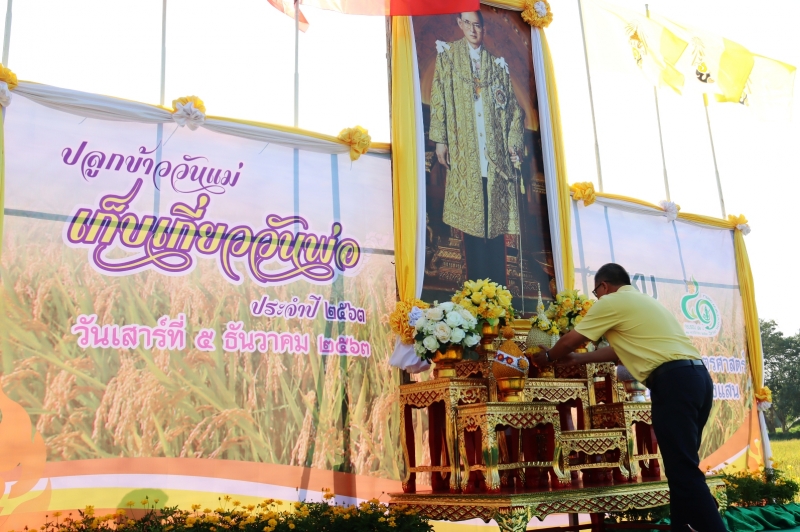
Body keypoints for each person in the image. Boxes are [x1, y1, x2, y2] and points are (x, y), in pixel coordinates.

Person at [531, 263, 725, 532]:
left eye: (596, 292)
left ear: (604, 286)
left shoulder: (610, 302)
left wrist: (549, 356)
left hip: (673, 383)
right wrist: (577, 359)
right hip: (697, 379)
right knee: (680, 468)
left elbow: (571, 339)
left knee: (683, 470)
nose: (597, 298)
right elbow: (617, 351)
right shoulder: (646, 302)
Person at [429, 10, 524, 283]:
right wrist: (441, 140)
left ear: (484, 28)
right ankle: (475, 291)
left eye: (478, 26)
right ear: (460, 24)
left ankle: (498, 291)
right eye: (468, 24)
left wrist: (513, 144)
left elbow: (514, 112)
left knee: (494, 227)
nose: (473, 30)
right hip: (465, 154)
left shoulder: (497, 66)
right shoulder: (448, 56)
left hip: (495, 160)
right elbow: (438, 98)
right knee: (471, 227)